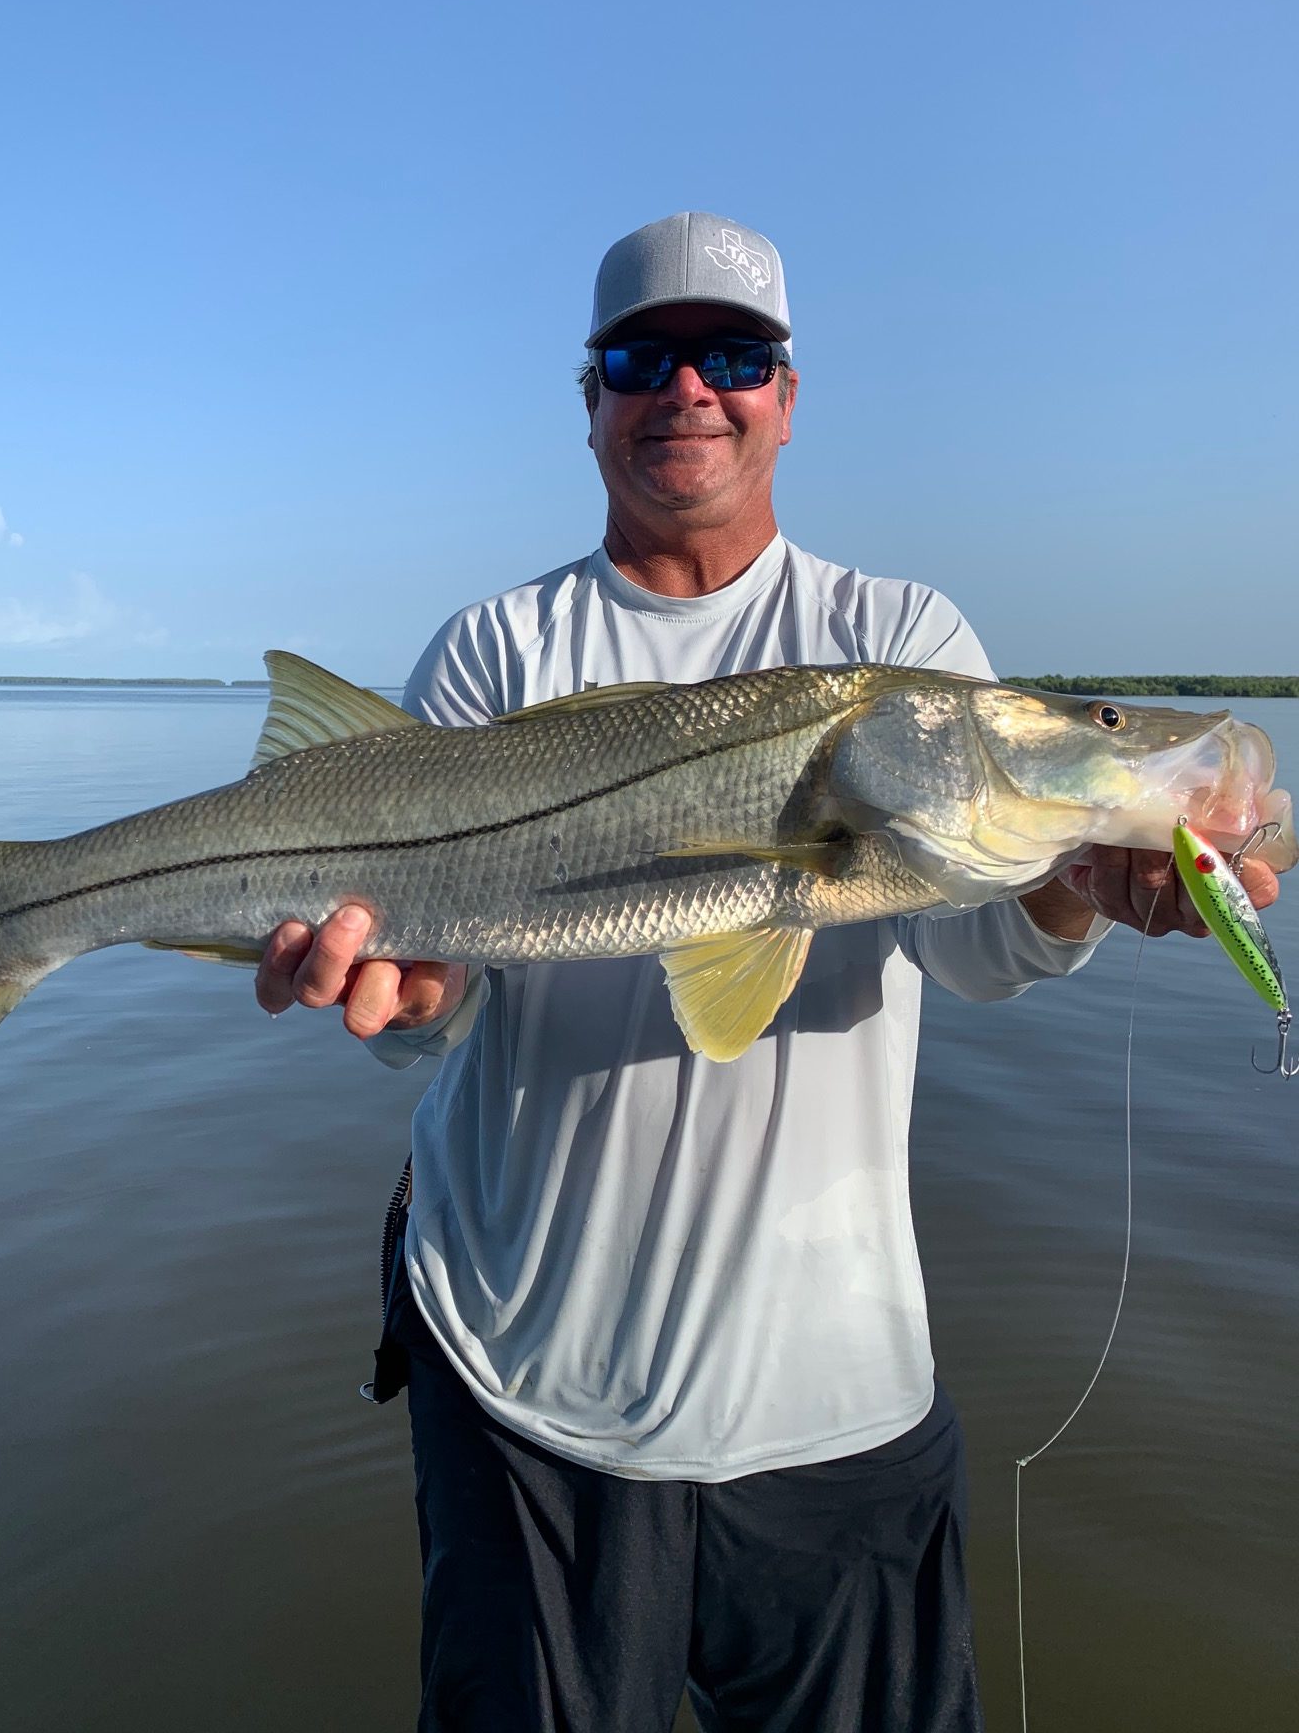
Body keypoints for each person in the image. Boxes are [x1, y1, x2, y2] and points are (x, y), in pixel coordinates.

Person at [255, 212, 1280, 1733]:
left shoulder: (900, 639)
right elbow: (431, 1001)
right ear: (591, 404)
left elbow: (972, 938)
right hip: (525, 1381)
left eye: (734, 357)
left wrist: (1074, 894)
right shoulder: (495, 649)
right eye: (642, 360)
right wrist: (405, 1005)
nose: (690, 389)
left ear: (787, 400)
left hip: (833, 1396)